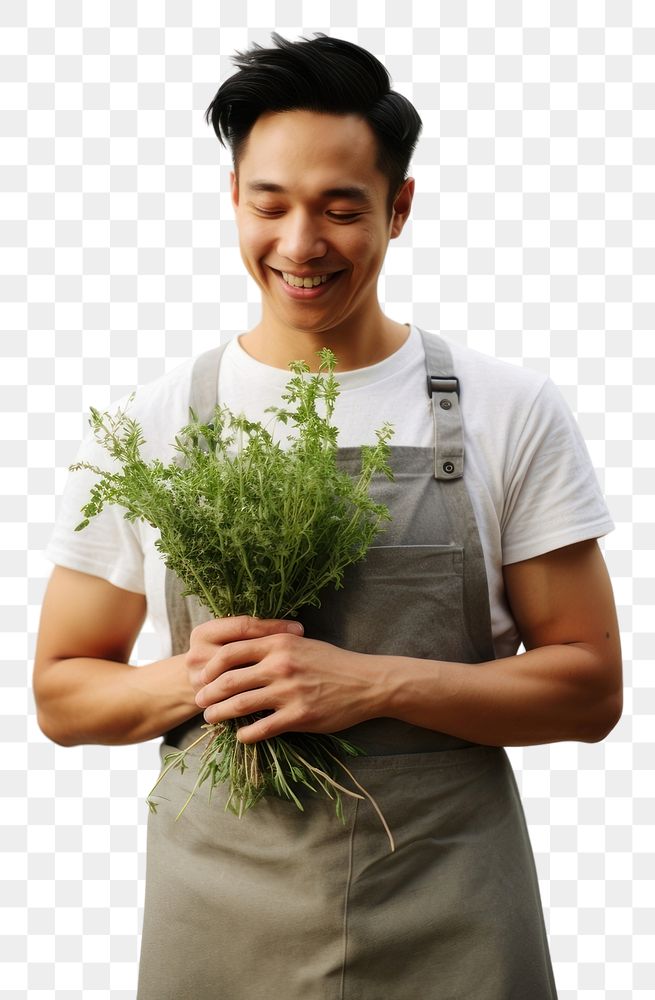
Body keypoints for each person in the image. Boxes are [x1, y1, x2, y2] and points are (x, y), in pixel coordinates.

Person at [34, 32, 622, 1000]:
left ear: (399, 208)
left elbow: (587, 690)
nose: (300, 245)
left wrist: (373, 682)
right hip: (218, 897)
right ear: (234, 199)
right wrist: (203, 678)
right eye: (270, 204)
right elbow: (64, 695)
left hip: (448, 890)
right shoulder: (157, 422)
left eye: (342, 209)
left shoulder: (506, 406)